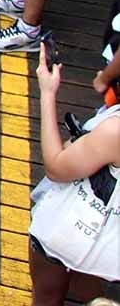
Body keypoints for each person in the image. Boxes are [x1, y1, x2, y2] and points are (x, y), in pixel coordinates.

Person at [28, 45, 120, 304]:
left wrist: (47, 93)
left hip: (71, 230)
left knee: (47, 292)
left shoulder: (115, 132)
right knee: (88, 279)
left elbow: (56, 168)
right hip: (109, 240)